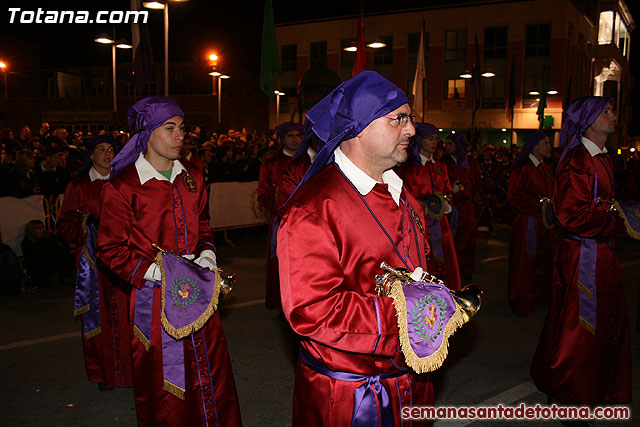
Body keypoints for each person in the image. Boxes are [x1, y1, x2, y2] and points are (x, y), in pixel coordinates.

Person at [277, 71, 434, 426]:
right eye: (398, 119)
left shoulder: (405, 197)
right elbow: (311, 309)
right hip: (352, 397)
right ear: (358, 128)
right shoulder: (313, 209)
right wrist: (416, 314)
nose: (411, 130)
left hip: (409, 378)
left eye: (409, 119)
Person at [96, 97, 242, 426]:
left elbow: (203, 224)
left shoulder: (193, 176)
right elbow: (110, 248)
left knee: (211, 367)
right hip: (153, 298)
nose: (180, 135)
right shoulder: (122, 188)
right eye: (170, 128)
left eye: (182, 127)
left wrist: (206, 254)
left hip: (200, 292)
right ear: (147, 133)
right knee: (165, 380)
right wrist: (154, 272)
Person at [530, 97, 631, 413]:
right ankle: (572, 397)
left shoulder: (601, 158)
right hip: (583, 253)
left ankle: (586, 384)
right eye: (607, 112)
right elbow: (571, 215)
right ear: (590, 121)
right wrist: (617, 220)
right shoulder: (578, 160)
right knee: (581, 324)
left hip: (600, 251)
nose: (613, 115)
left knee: (592, 321)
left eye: (614, 110)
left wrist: (617, 215)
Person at [56, 134, 133, 390]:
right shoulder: (78, 187)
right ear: (91, 155)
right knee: (98, 319)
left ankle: (130, 372)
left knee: (127, 317)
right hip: (93, 264)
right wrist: (86, 226)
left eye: (111, 149)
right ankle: (103, 373)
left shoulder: (124, 182)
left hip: (122, 260)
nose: (108, 154)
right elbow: (63, 226)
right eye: (101, 149)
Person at [397, 123, 461, 291]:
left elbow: (447, 191)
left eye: (436, 139)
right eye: (430, 139)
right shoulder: (409, 169)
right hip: (420, 226)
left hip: (441, 225)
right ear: (420, 140)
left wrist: (446, 203)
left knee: (446, 265)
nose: (434, 143)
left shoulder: (440, 166)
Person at [506, 132, 556, 316]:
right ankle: (521, 300)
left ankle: (539, 298)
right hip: (528, 223)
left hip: (545, 223)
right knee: (525, 262)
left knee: (544, 261)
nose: (549, 147)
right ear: (535, 146)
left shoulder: (546, 169)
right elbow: (514, 196)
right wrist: (539, 204)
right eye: (546, 143)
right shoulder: (522, 169)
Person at [257, 121, 302, 310]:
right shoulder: (271, 164)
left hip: (305, 222)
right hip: (280, 221)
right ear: (283, 139)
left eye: (298, 135)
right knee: (280, 262)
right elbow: (263, 193)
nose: (294, 139)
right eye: (290, 136)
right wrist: (280, 206)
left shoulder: (310, 163)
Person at [443, 134, 481, 281]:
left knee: (470, 238)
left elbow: (477, 182)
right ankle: (454, 268)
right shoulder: (444, 163)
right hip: (453, 208)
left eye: (450, 143)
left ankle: (467, 269)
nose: (447, 146)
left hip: (467, 207)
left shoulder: (470, 163)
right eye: (446, 143)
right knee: (453, 240)